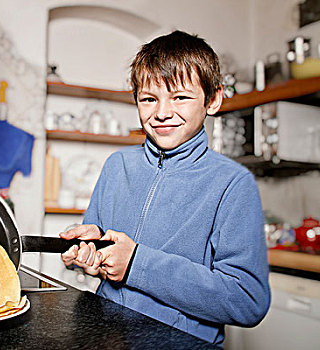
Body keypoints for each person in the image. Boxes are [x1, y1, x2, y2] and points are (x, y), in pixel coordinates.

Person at [60, 30, 270, 346]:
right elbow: (104, 254)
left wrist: (136, 264)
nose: (161, 113)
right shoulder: (117, 165)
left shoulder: (232, 184)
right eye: (148, 99)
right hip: (107, 337)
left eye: (181, 97)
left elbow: (247, 300)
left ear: (213, 100)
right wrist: (90, 252)